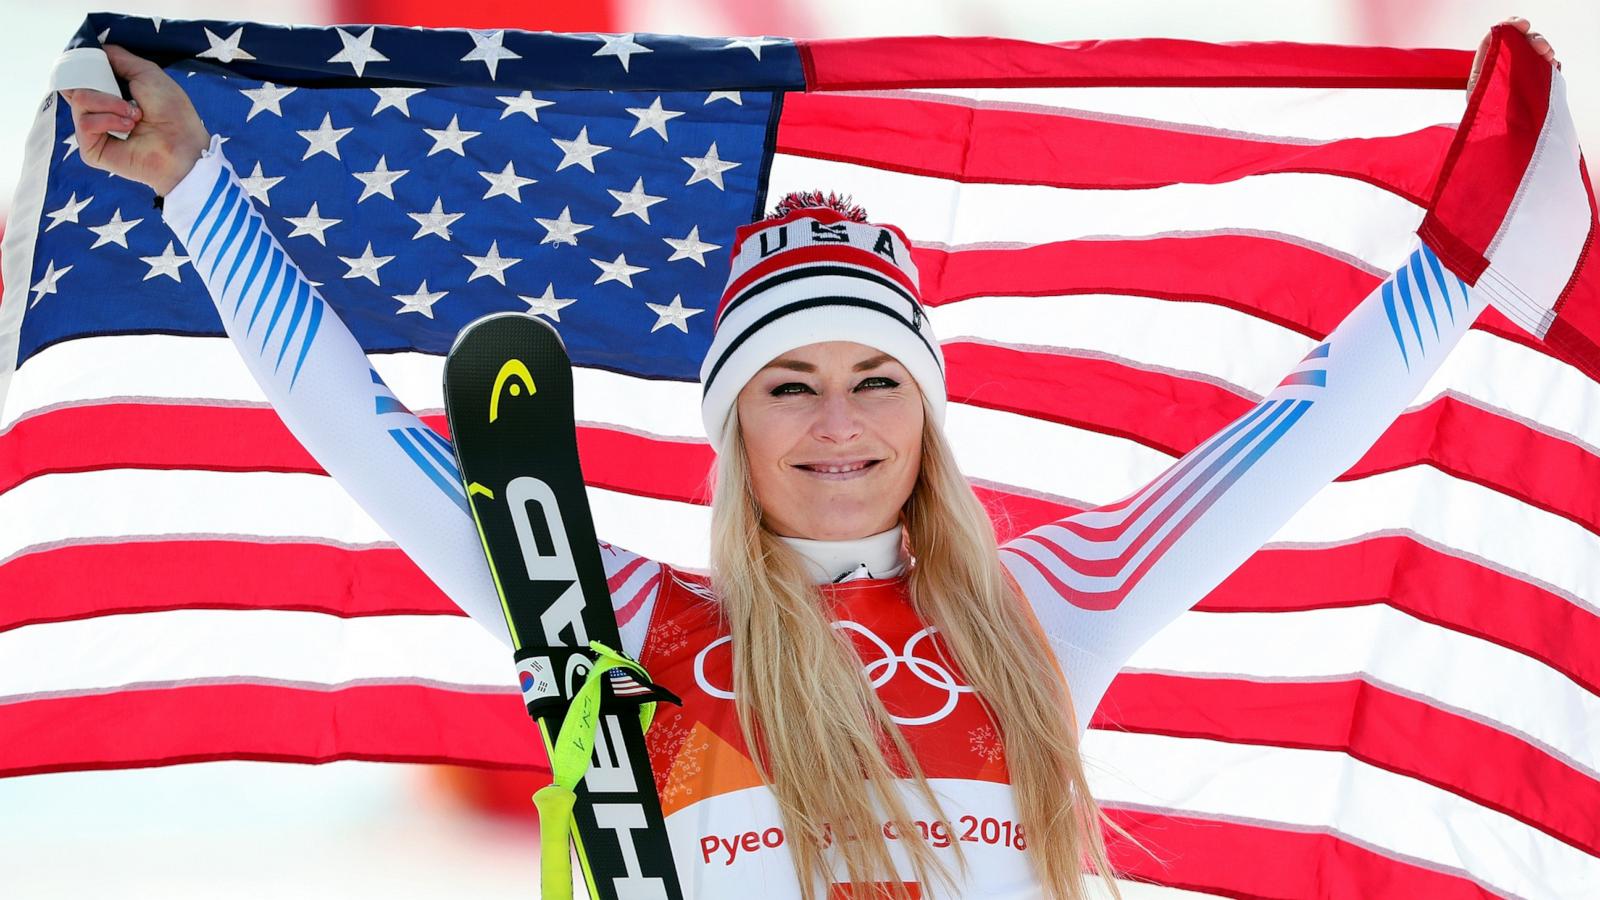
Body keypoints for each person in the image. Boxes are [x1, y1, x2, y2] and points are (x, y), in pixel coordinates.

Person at [63, 19, 1563, 900]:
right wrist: (196, 186)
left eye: (872, 381)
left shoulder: (1051, 609)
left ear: (925, 414)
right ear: (734, 427)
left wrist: (1463, 255)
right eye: (787, 386)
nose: (837, 424)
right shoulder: (637, 634)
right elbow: (374, 443)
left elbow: (1289, 438)